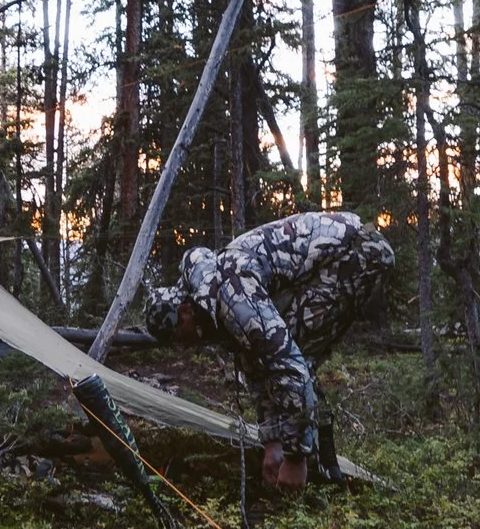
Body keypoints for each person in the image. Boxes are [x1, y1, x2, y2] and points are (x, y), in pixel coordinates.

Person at [143, 210, 393, 492]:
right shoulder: (211, 301)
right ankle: (324, 470)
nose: (183, 344)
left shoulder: (230, 294)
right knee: (289, 357)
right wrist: (272, 442)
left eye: (178, 335)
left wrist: (294, 457)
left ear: (184, 310)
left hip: (361, 247)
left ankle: (315, 470)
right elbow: (256, 368)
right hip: (353, 244)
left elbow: (288, 366)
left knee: (297, 358)